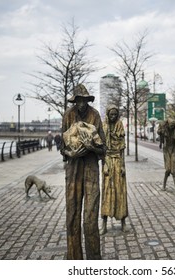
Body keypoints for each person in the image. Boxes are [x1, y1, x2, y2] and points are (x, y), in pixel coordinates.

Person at [61, 84, 106, 260]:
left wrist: (92, 147)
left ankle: (94, 259)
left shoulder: (94, 115)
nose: (81, 104)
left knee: (90, 217)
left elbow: (104, 148)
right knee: (72, 215)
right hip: (73, 169)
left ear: (87, 100)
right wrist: (69, 153)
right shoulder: (68, 115)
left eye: (84, 100)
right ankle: (74, 258)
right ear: (75, 101)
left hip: (91, 169)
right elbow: (62, 145)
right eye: (78, 100)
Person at [100, 105, 128, 235]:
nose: (113, 117)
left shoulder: (120, 125)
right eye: (111, 114)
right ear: (107, 114)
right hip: (107, 161)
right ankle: (104, 224)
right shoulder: (103, 126)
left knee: (120, 191)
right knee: (106, 192)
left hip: (118, 160)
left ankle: (123, 222)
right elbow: (102, 149)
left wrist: (122, 165)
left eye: (115, 115)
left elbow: (122, 148)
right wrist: (104, 164)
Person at [158, 118, 175, 194]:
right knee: (168, 169)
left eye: (173, 126)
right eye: (171, 125)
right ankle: (164, 186)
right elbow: (159, 132)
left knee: (174, 169)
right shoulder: (164, 129)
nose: (172, 127)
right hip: (166, 150)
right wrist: (161, 131)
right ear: (168, 125)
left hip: (173, 150)